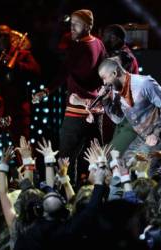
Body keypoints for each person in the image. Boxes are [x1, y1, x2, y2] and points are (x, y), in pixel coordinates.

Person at [32, 9, 106, 187]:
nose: (72, 27)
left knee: (65, 160)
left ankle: (67, 197)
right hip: (96, 111)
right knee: (97, 158)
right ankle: (98, 195)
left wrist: (47, 90)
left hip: (76, 111)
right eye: (71, 23)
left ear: (88, 25)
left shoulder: (79, 46)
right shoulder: (99, 44)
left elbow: (65, 72)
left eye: (76, 23)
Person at [98, 58, 161, 176]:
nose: (104, 83)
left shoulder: (144, 83)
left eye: (104, 78)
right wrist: (106, 101)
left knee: (148, 173)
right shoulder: (116, 91)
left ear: (115, 73)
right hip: (144, 136)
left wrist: (156, 134)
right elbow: (118, 119)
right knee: (125, 167)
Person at [102, 24, 139, 154]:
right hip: (121, 111)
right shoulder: (121, 55)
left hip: (122, 112)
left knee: (112, 155)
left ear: (115, 38)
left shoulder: (124, 58)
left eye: (106, 37)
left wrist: (107, 102)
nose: (103, 41)